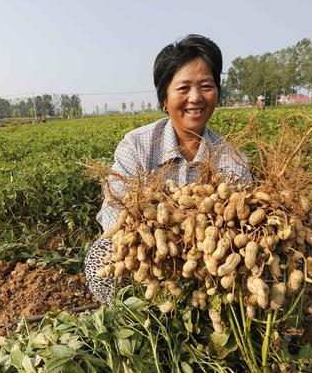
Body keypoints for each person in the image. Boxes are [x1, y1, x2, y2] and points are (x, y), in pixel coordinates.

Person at [84, 34, 252, 303]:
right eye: (183, 88)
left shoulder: (231, 158)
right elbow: (114, 211)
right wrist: (156, 240)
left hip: (210, 263)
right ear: (164, 98)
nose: (195, 98)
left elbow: (241, 225)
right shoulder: (137, 145)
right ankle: (133, 315)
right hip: (148, 257)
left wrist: (197, 245)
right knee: (101, 256)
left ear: (217, 93)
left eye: (206, 86)